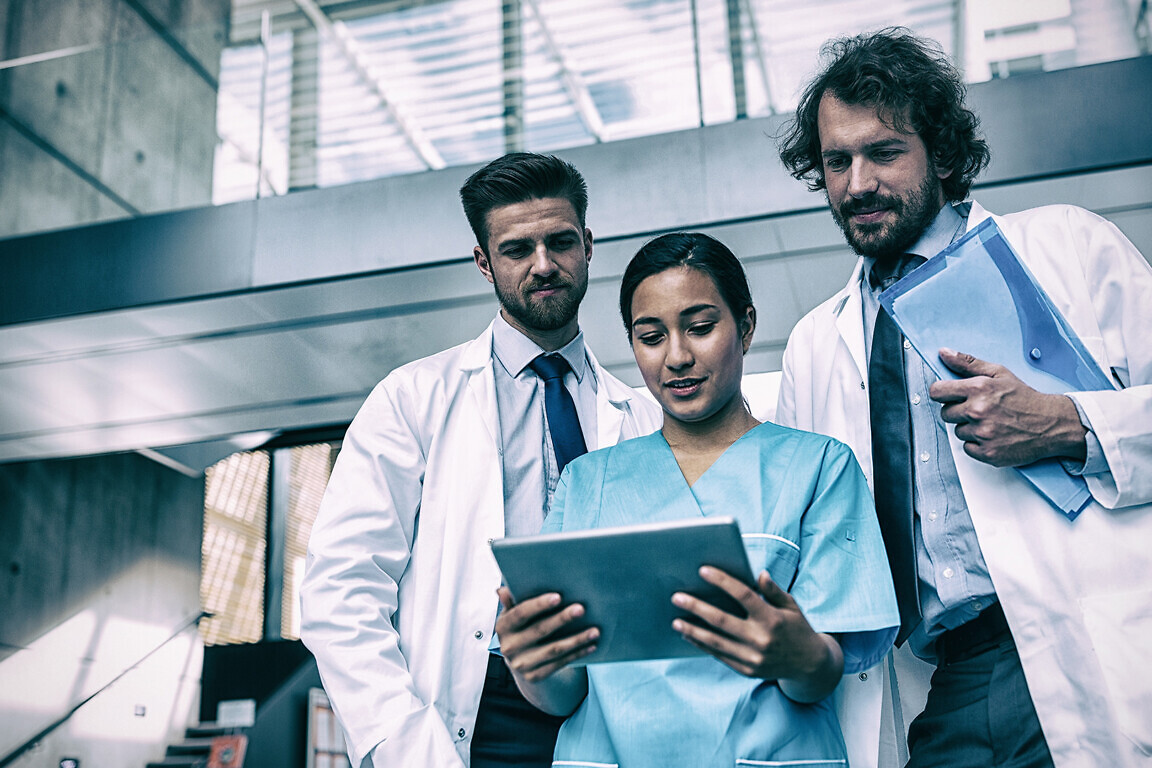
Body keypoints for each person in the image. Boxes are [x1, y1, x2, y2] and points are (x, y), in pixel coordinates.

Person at [775, 27, 1152, 768]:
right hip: (945, 684)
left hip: (1093, 643)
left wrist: (1067, 423)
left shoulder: (1069, 248)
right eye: (836, 161)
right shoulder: (815, 346)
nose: (857, 184)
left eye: (884, 152)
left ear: (942, 153)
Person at [299, 152, 662, 768]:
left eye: (560, 242)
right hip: (478, 712)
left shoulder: (642, 417)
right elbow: (341, 588)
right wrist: (403, 744)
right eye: (517, 250)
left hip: (615, 705)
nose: (543, 265)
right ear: (484, 262)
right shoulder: (412, 399)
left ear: (588, 246)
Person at [495, 232, 899, 767]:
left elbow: (820, 675)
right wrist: (530, 663)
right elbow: (564, 694)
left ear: (746, 326)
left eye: (701, 328)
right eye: (651, 337)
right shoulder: (586, 482)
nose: (677, 357)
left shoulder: (819, 467)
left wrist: (797, 654)